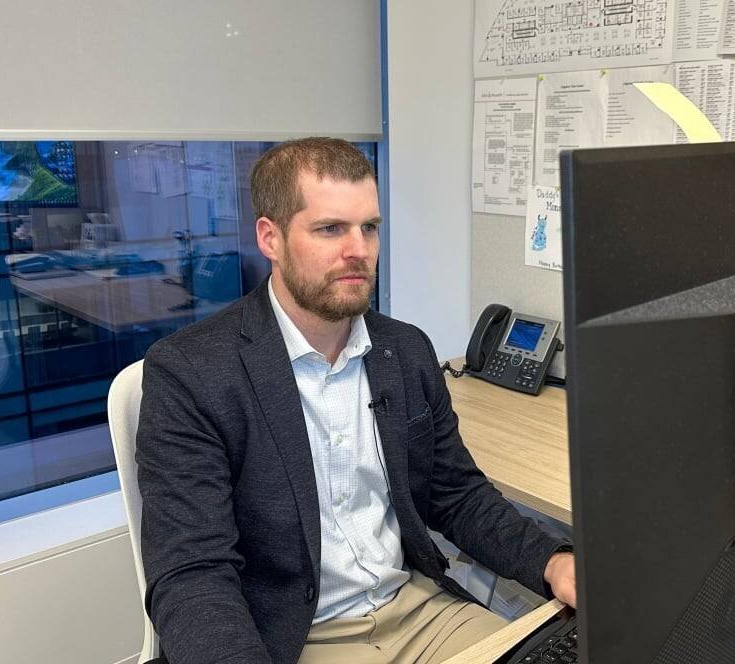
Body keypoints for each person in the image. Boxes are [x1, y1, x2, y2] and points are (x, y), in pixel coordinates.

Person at [136, 137, 575, 664]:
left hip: (420, 611)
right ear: (270, 238)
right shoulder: (192, 373)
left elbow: (456, 495)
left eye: (369, 227)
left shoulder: (404, 350)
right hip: (291, 637)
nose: (358, 250)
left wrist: (553, 561)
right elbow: (192, 574)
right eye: (330, 229)